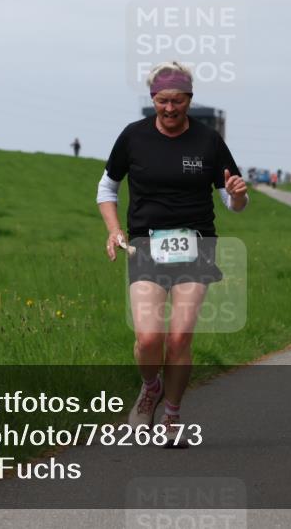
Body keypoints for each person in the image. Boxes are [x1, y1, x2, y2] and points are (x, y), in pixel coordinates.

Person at [96, 61, 248, 446]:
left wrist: (238, 196)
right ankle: (151, 388)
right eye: (162, 100)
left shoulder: (208, 141)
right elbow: (107, 189)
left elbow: (232, 201)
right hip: (146, 245)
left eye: (177, 101)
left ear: (190, 99)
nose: (169, 108)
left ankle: (173, 416)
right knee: (149, 338)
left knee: (179, 338)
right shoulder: (133, 137)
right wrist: (114, 230)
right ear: (153, 99)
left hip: (196, 245)